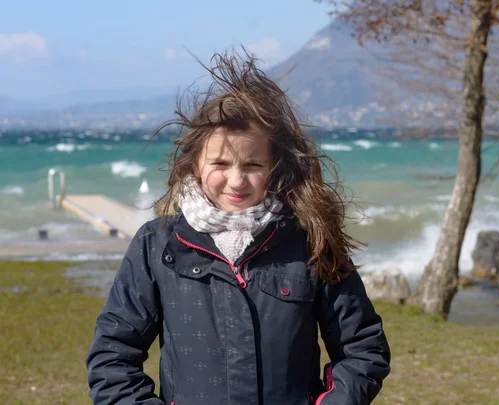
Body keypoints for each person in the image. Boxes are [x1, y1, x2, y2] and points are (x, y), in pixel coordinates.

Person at [86, 51, 391, 405]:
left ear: (275, 166)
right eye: (219, 163)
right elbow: (113, 357)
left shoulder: (310, 241)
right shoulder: (157, 245)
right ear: (195, 165)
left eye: (252, 164)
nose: (236, 180)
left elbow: (363, 350)